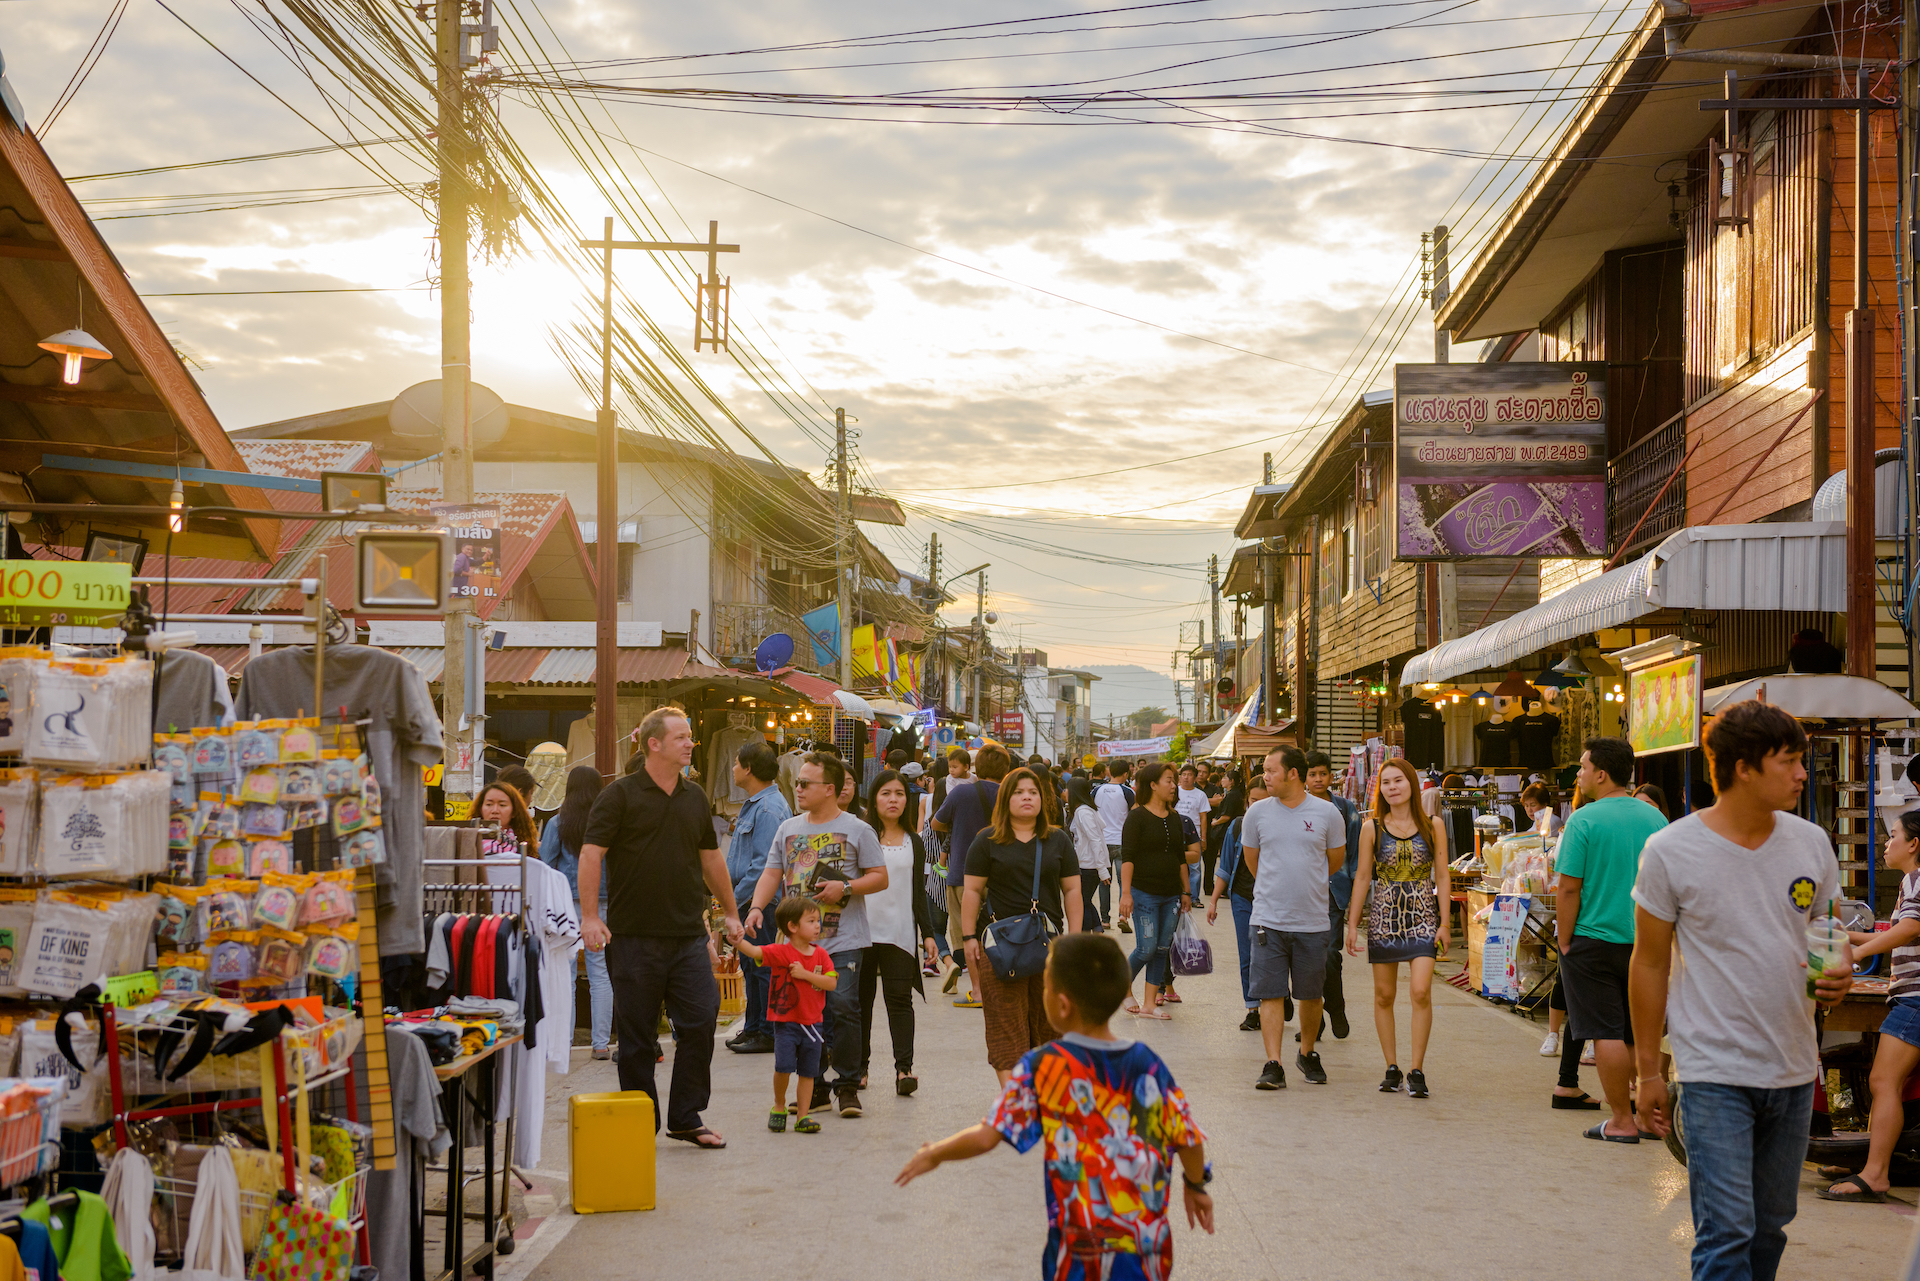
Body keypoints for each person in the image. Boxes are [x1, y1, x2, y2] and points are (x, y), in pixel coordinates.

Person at [1631, 700, 1853, 1281]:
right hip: (1712, 1069)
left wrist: (1841, 967)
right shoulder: (1671, 850)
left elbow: (1826, 931)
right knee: (1727, 1229)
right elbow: (1649, 963)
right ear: (1743, 768)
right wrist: (1649, 1071)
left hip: (1793, 1065)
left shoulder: (1811, 843)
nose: (1803, 774)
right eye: (1791, 761)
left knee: (1771, 1223)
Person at [895, 933, 1214, 1279]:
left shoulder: (1044, 1066)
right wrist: (1196, 1186)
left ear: (1062, 1006)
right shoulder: (1147, 1063)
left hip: (1077, 1254)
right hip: (1146, 1251)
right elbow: (1188, 1138)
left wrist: (936, 1152)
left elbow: (988, 1135)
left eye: (1044, 985)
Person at [579, 706, 739, 1149]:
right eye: (682, 737)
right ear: (654, 744)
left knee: (701, 1020)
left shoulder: (693, 798)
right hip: (633, 937)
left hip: (687, 936)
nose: (691, 743)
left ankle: (686, 1116)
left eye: (690, 737)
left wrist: (731, 911)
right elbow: (592, 854)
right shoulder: (619, 796)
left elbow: (711, 858)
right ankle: (638, 1120)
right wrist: (590, 917)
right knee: (637, 1038)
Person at [741, 751, 889, 1119]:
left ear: (830, 789)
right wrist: (758, 907)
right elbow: (772, 873)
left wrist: (848, 888)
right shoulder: (788, 828)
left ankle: (848, 1086)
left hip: (844, 940)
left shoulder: (858, 828)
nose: (799, 788)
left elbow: (880, 877)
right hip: (797, 946)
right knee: (806, 1015)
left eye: (806, 783)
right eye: (798, 782)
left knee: (842, 1008)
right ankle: (816, 1086)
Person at [1558, 736, 1667, 1144]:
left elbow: (1569, 889)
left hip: (1592, 938)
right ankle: (1649, 1117)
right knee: (1641, 1031)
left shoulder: (1583, 820)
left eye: (1583, 766)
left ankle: (1621, 1119)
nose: (1580, 773)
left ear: (1601, 774)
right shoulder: (1656, 820)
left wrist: (1564, 940)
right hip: (1648, 941)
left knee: (1606, 1030)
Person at [960, 767, 1083, 1083]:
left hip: (1049, 945)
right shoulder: (986, 841)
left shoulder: (1058, 840)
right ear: (1005, 799)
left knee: (1049, 1023)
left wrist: (1074, 940)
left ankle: (1045, 1093)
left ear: (1042, 799)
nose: (1027, 797)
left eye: (1032, 792)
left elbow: (1072, 891)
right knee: (1005, 1022)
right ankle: (1016, 1103)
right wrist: (968, 936)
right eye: (1018, 792)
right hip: (1000, 947)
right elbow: (972, 891)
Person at [1821, 809, 1920, 1203]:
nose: (1885, 843)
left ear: (1914, 844)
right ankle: (1871, 1161)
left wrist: (1850, 949)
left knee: (1883, 1082)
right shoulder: (1909, 883)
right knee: (1890, 1084)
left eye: (1892, 835)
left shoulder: (1916, 877)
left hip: (1915, 997)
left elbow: (1911, 929)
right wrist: (1845, 937)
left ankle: (1875, 1173)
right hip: (1910, 995)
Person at [1344, 756, 1448, 1098]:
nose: (1392, 787)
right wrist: (1352, 922)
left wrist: (1446, 923)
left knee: (1420, 990)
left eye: (1398, 781)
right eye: (1386, 782)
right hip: (1385, 916)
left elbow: (1443, 875)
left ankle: (1417, 1069)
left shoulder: (1434, 824)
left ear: (1411, 785)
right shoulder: (1371, 827)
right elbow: (1362, 876)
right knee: (1384, 995)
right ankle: (1392, 1066)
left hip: (1423, 914)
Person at [1243, 746, 1345, 1090]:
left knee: (1310, 994)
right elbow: (1252, 861)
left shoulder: (1327, 813)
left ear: (1292, 774)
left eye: (1271, 770)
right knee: (1270, 993)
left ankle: (1307, 1052)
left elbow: (1333, 861)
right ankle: (1274, 1063)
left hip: (1313, 921)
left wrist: (1305, 884)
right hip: (1268, 919)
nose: (1265, 776)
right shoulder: (1256, 813)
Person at [860, 770, 937, 1097]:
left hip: (901, 933)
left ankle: (904, 1069)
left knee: (900, 1002)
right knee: (859, 1003)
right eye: (885, 793)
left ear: (907, 800)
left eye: (899, 794)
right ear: (874, 799)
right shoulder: (862, 836)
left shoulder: (914, 841)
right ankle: (859, 1069)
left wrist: (929, 934)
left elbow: (918, 892)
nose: (893, 800)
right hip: (860, 933)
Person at [734, 895, 837, 1135]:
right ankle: (779, 1106)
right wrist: (737, 940)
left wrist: (805, 975)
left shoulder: (821, 954)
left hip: (813, 1024)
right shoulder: (781, 952)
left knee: (808, 1072)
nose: (817, 925)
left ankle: (803, 1116)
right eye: (811, 921)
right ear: (792, 927)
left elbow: (830, 984)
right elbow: (754, 950)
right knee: (783, 1067)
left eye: (817, 920)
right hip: (785, 1024)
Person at [723, 741, 792, 1056]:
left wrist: (734, 902)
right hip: (750, 902)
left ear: (749, 768)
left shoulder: (767, 808)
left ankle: (765, 1031)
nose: (734, 768)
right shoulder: (756, 803)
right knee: (751, 967)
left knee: (762, 967)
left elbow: (763, 866)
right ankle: (753, 1027)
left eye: (737, 762)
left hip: (759, 904)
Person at [538, 765, 611, 1058]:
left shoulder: (557, 823)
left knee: (564, 973)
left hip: (565, 905)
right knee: (600, 972)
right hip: (602, 903)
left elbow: (545, 865)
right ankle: (601, 1044)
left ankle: (563, 1044)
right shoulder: (607, 823)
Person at [933, 743, 1012, 1008]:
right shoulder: (1010, 794)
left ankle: (978, 991)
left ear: (976, 766)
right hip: (1002, 876)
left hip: (962, 875)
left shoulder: (960, 794)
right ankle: (1003, 985)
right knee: (1001, 933)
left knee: (968, 935)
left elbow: (936, 823)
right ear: (1006, 769)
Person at [1118, 762, 1194, 1021]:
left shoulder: (1173, 817)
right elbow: (1127, 857)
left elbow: (1179, 858)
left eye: (1174, 781)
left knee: (1162, 948)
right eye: (1169, 780)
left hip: (1171, 894)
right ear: (1152, 785)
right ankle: (1122, 987)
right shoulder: (1136, 817)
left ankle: (1150, 1003)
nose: (1174, 785)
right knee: (1146, 948)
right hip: (1144, 894)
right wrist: (1125, 893)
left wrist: (1186, 892)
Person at [1208, 778, 1270, 1033]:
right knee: (1248, 955)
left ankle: (1279, 995)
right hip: (1243, 898)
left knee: (1273, 955)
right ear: (1246, 802)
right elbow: (1225, 868)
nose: (1259, 805)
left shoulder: (1282, 826)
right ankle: (1253, 1009)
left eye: (1264, 800)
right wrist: (1213, 900)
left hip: (1274, 900)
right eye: (1254, 800)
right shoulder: (1237, 826)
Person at [1304, 751, 1358, 1041]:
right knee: (1303, 961)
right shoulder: (1295, 807)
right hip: (1300, 895)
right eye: (1312, 774)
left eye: (1322, 774)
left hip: (1334, 893)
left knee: (1328, 957)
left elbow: (1356, 856)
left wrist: (1356, 899)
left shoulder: (1345, 809)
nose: (1318, 779)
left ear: (1331, 776)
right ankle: (1316, 1019)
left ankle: (1334, 1008)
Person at [1096, 761, 1137, 934]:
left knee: (1104, 882)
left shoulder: (1097, 790)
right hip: (1122, 842)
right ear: (1126, 774)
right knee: (1124, 882)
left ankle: (1104, 921)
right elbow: (1134, 814)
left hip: (1102, 842)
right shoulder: (1128, 792)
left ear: (1109, 772)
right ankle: (1123, 917)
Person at [1066, 774, 1111, 931]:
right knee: (1084, 900)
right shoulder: (1087, 810)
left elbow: (1095, 840)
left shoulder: (1083, 812)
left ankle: (1085, 934)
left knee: (1081, 902)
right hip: (1089, 864)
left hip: (1089, 865)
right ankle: (1097, 929)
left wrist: (1102, 869)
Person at [1174, 764, 1211, 897]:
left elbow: (1203, 817)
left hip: (1193, 833)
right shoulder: (1174, 791)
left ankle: (1194, 896)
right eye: (1184, 775)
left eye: (1189, 775)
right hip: (1176, 831)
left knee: (1194, 866)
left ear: (1194, 778)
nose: (1186, 778)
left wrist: (1203, 838)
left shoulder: (1200, 795)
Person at [475, 781, 535, 853]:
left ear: (514, 811)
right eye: (489, 804)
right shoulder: (470, 840)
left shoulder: (524, 843)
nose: (495, 810)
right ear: (480, 809)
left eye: (502, 805)